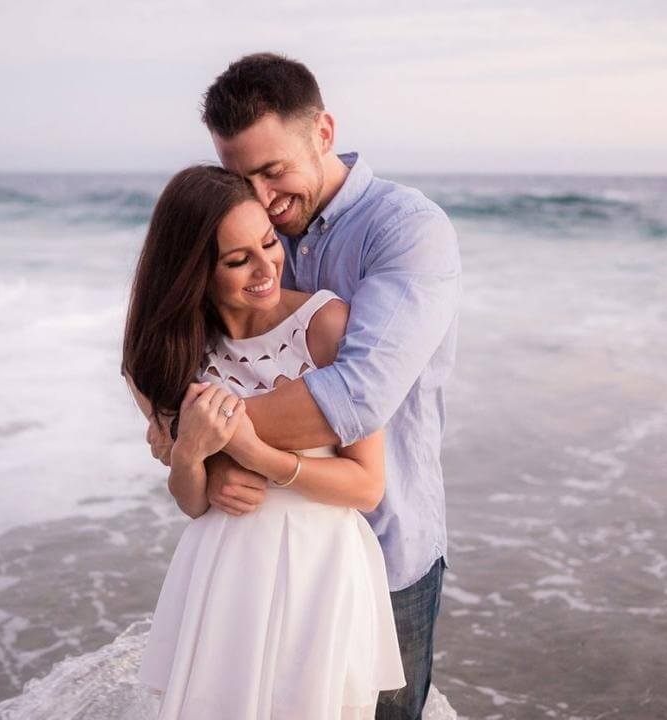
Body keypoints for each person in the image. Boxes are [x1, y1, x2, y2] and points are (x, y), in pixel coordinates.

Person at [144, 53, 462, 719]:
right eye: (241, 177)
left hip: (384, 539)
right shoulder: (243, 228)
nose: (260, 197)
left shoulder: (407, 231)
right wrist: (187, 443)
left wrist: (205, 439)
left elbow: (357, 396)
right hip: (252, 561)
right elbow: (156, 344)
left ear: (323, 133)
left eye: (272, 171)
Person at [122, 165, 406, 718]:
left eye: (269, 243)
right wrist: (193, 455)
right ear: (193, 272)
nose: (265, 268)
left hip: (319, 571)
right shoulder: (176, 354)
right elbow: (191, 503)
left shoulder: (323, 325)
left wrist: (255, 454)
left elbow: (366, 486)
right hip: (222, 571)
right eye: (237, 260)